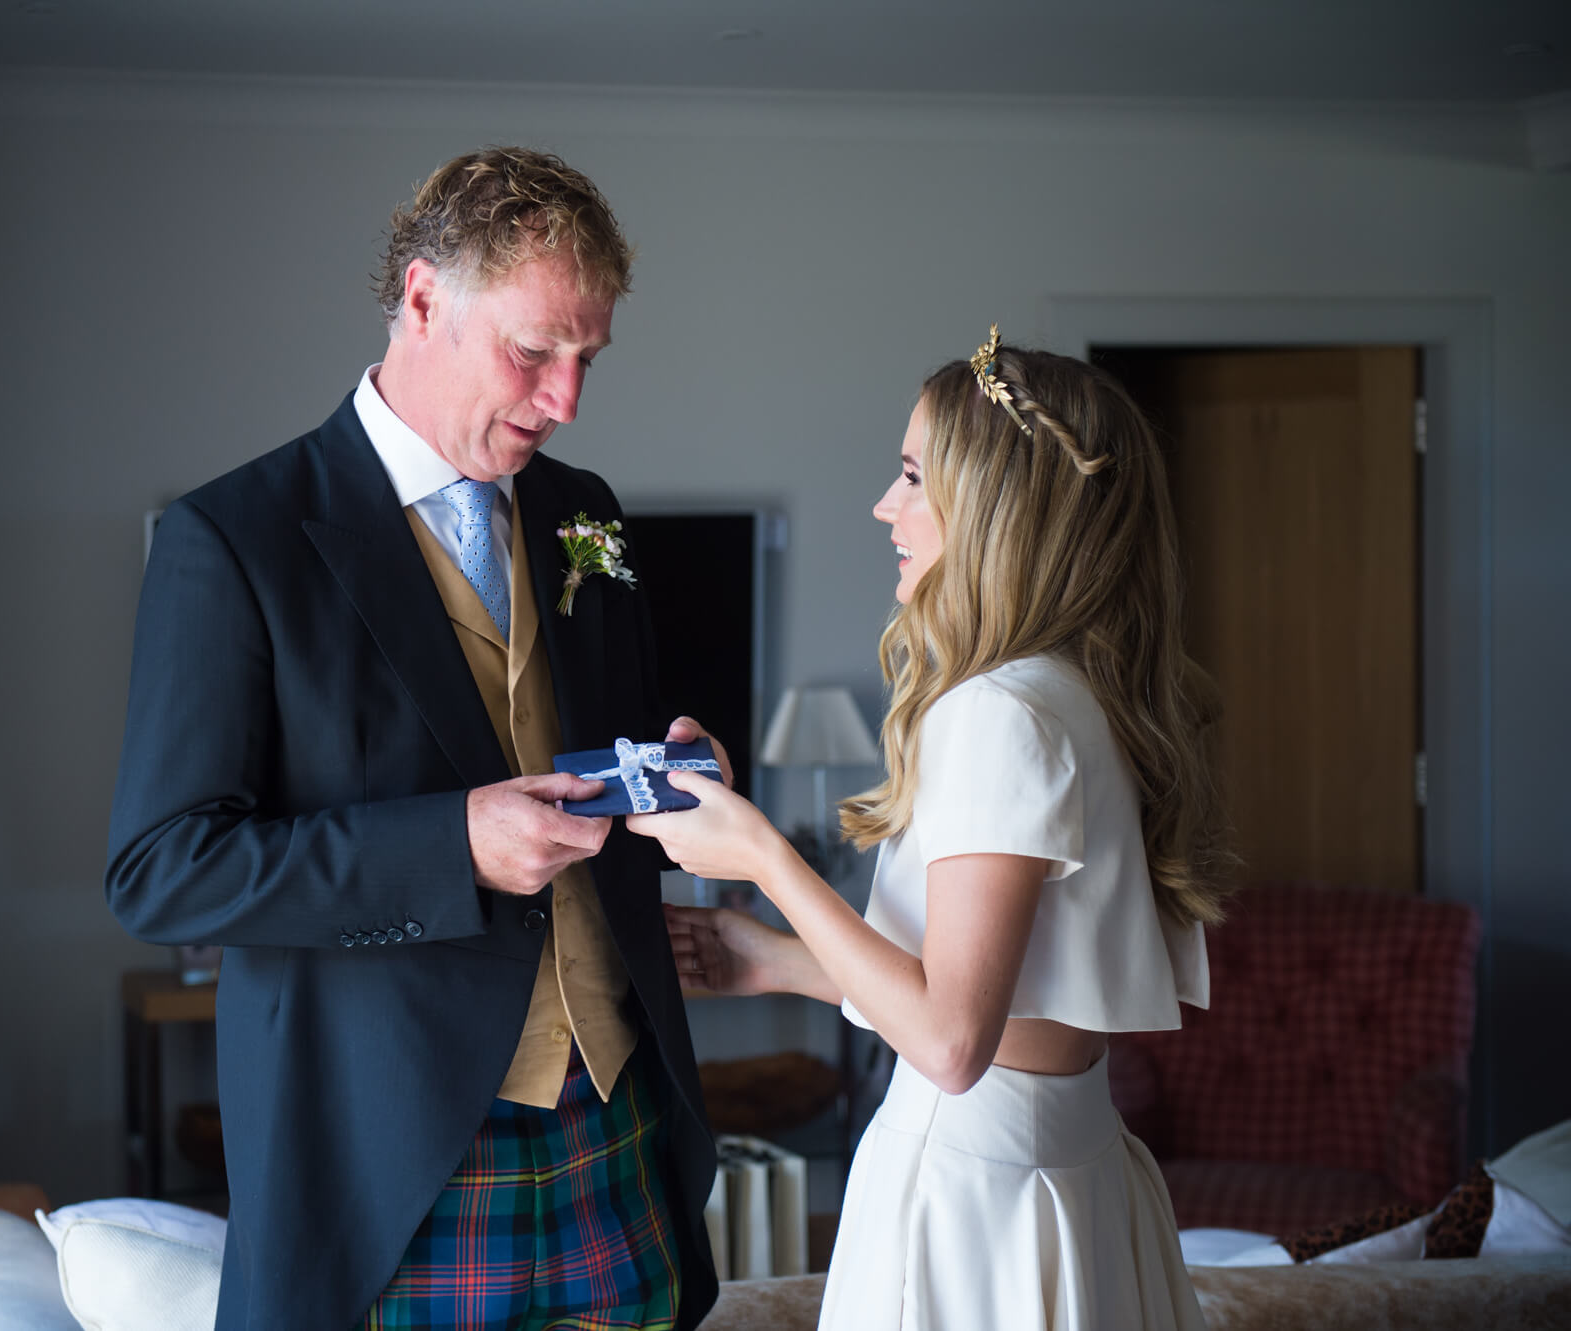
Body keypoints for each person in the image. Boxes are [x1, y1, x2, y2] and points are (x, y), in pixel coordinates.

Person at [105, 146, 720, 1331]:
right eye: (534, 352)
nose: (565, 400)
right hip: (397, 1163)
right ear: (425, 298)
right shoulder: (233, 540)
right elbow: (162, 870)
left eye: (586, 359)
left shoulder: (582, 511)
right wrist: (450, 845)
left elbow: (591, 756)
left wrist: (681, 773)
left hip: (618, 1121)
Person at [632, 330, 1235, 1330]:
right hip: (1075, 1173)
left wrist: (759, 857)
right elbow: (996, 993)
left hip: (972, 1189)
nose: (884, 504)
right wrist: (771, 962)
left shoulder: (996, 711)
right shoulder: (1086, 695)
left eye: (912, 475)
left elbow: (953, 1043)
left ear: (995, 505)